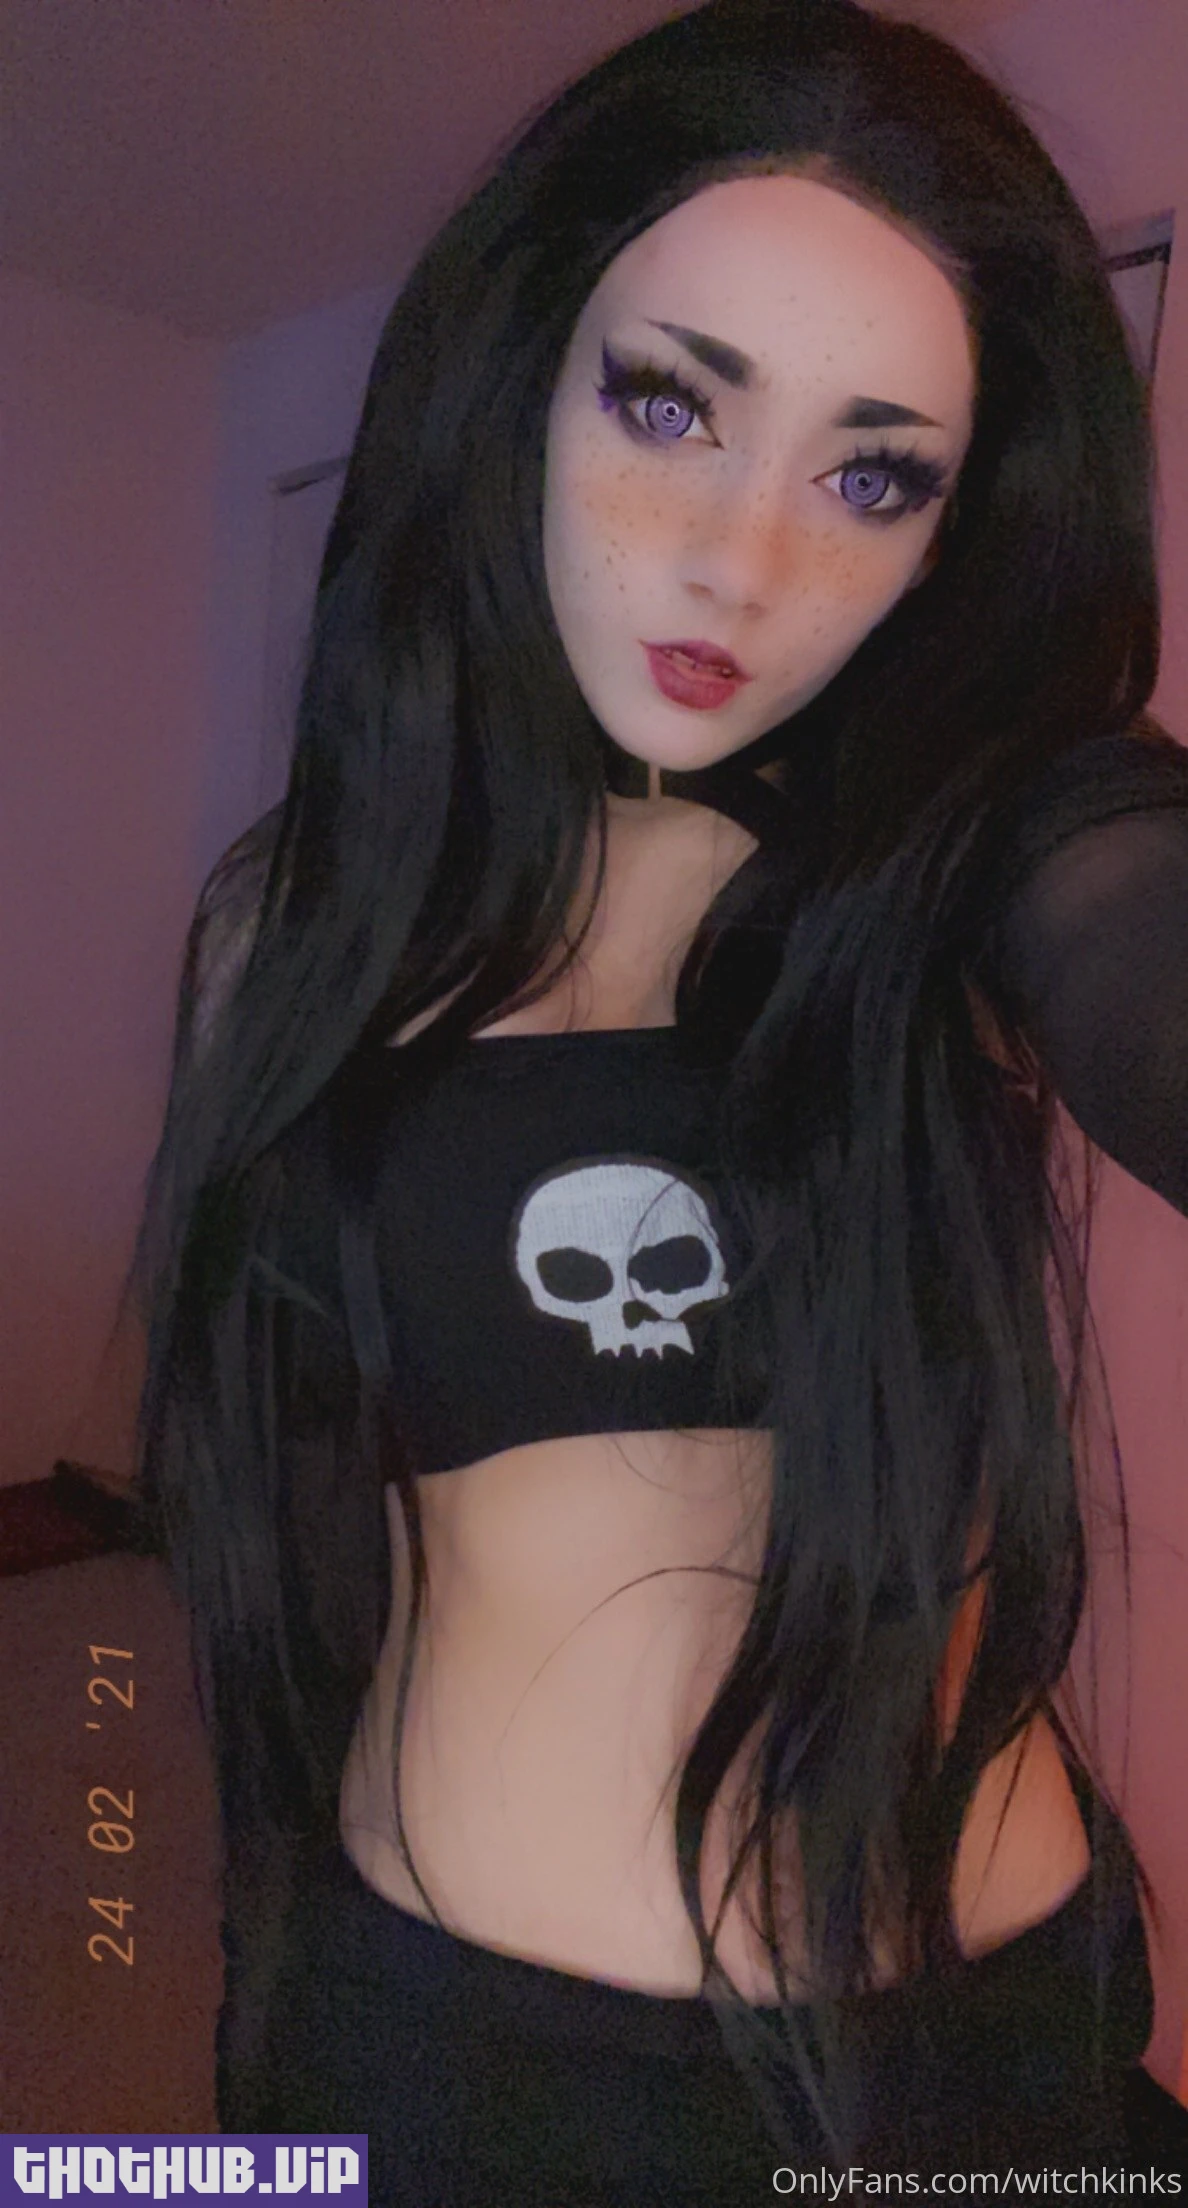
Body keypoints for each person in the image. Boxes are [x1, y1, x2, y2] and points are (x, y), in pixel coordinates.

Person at [125, 0, 1188, 2195]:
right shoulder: (300, 922)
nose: (740, 561)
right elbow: (294, 1526)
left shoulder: (972, 847)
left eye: (872, 475)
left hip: (980, 2063)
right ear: (526, 375)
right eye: (671, 405)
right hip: (462, 2058)